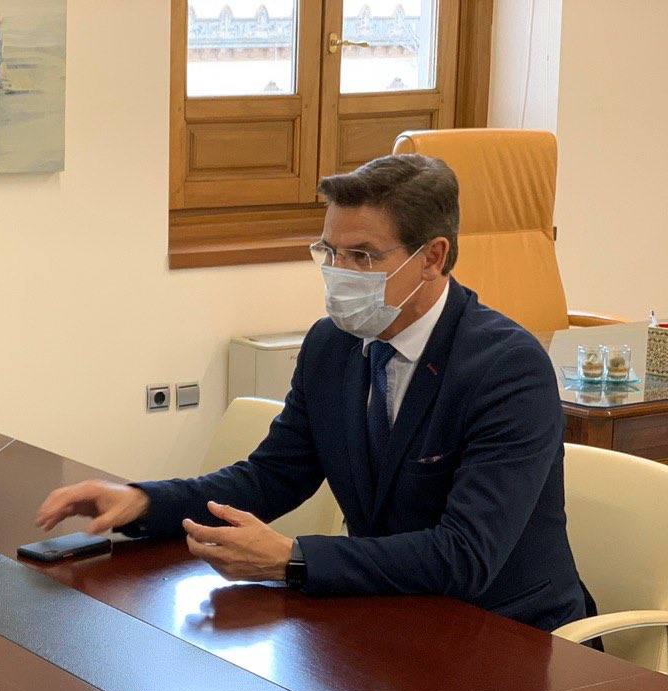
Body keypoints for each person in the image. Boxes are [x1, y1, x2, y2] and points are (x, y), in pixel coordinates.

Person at [37, 154, 589, 633]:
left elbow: (466, 556)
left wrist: (292, 558)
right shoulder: (334, 345)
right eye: (331, 252)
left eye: (364, 257)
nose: (341, 274)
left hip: (507, 635)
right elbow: (273, 476)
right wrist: (145, 502)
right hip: (389, 619)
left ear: (433, 257)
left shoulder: (508, 369)